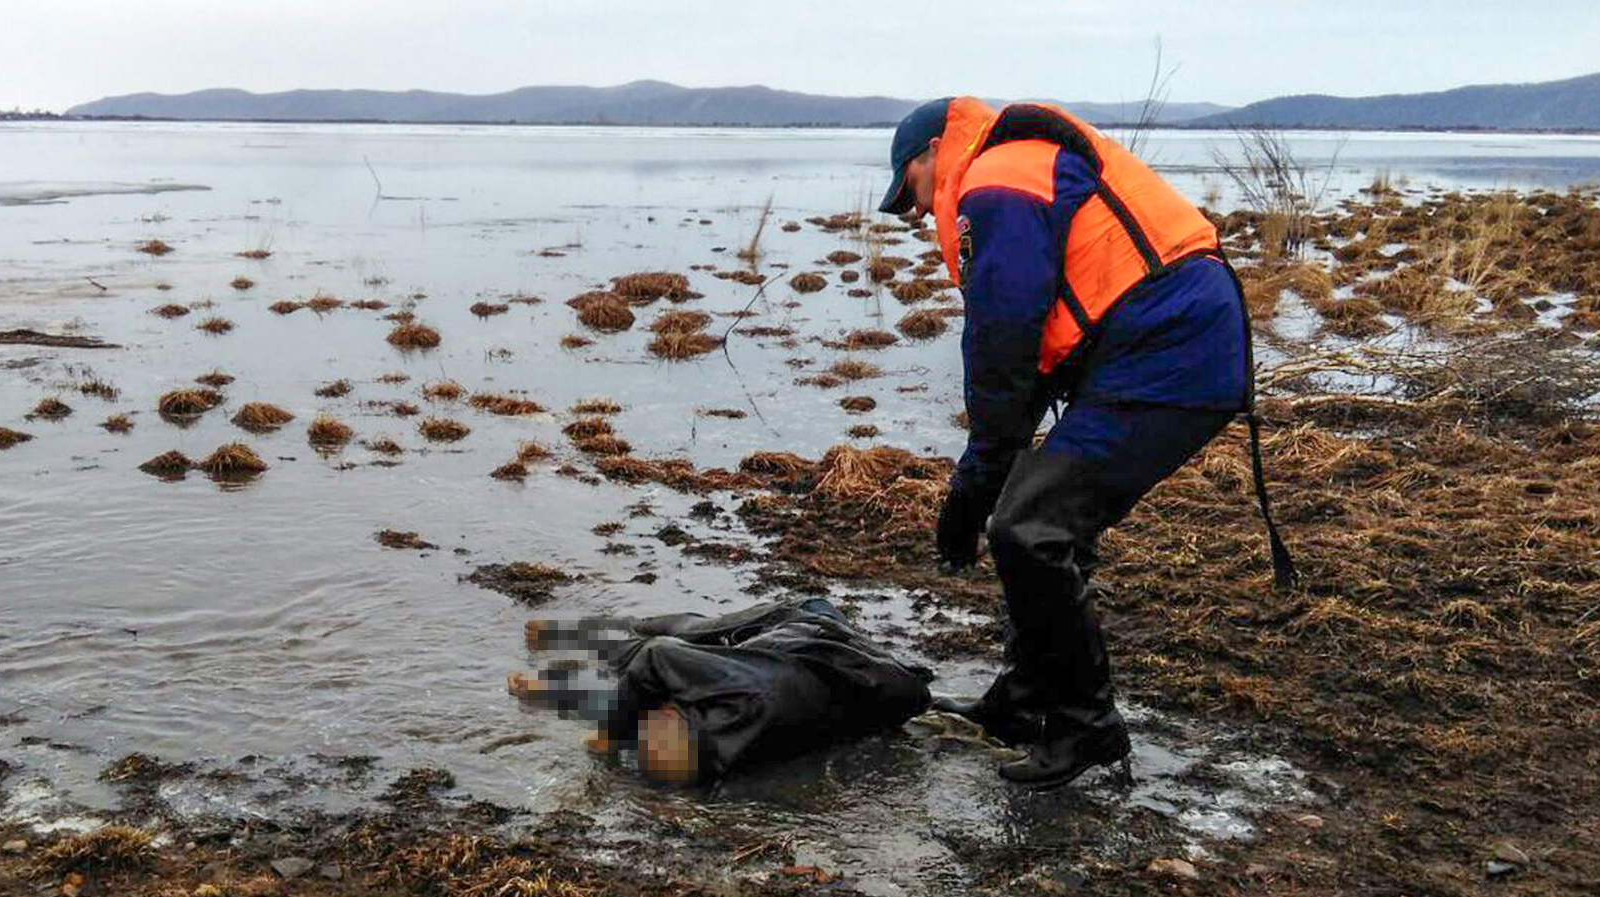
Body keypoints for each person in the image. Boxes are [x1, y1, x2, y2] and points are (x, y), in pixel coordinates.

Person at [877, 97, 1292, 791]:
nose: (916, 214)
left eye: (909, 194)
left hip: (1171, 352)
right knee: (1032, 514)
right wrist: (986, 477)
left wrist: (973, 488)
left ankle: (1086, 726)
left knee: (1031, 528)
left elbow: (1003, 346)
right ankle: (1028, 697)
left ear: (929, 156)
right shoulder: (1014, 172)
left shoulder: (997, 182)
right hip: (1157, 346)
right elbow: (1036, 360)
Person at [507, 598, 938, 786]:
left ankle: (584, 635)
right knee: (693, 632)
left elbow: (649, 676)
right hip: (806, 623)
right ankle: (584, 632)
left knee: (670, 649)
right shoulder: (727, 714)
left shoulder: (722, 743)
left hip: (831, 672)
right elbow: (655, 661)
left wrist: (566, 701)